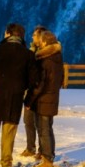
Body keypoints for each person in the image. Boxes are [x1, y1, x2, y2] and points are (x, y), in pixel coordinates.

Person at [0, 23, 37, 167]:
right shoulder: (28, 54)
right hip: (15, 96)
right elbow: (33, 80)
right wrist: (23, 89)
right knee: (9, 133)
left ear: (8, 34)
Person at [24, 30, 63, 167]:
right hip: (51, 98)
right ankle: (48, 156)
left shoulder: (45, 60)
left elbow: (39, 84)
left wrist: (29, 99)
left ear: (45, 42)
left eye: (40, 39)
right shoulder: (57, 58)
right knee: (47, 129)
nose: (38, 41)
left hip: (43, 100)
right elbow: (59, 80)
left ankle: (47, 161)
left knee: (44, 130)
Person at [21, 25, 48, 158]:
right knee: (28, 121)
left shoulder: (47, 52)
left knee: (41, 124)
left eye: (34, 35)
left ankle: (42, 150)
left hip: (41, 93)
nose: (32, 37)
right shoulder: (31, 51)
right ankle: (30, 147)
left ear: (41, 36)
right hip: (29, 91)